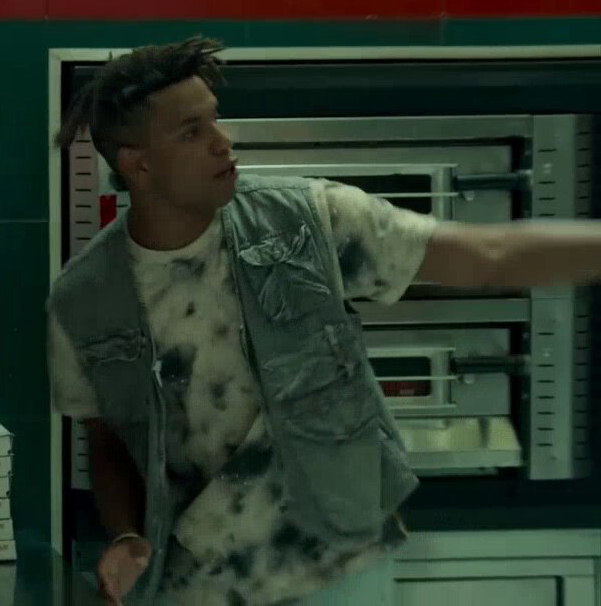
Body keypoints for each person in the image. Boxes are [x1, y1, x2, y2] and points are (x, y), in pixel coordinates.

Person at [47, 37, 601, 606]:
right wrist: (125, 536)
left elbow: (488, 255)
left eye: (215, 119)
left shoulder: (304, 220)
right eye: (192, 132)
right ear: (138, 164)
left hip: (340, 561)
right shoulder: (84, 299)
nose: (222, 141)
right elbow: (107, 440)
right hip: (196, 584)